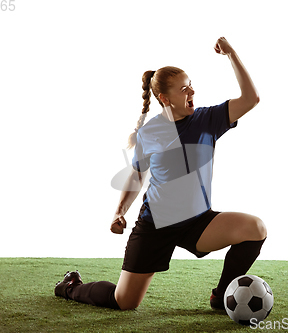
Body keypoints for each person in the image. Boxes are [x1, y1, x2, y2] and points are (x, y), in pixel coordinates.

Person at [54, 37, 267, 311]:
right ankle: (72, 287)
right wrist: (120, 212)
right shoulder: (149, 132)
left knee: (255, 228)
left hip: (196, 222)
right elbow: (136, 174)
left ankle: (222, 296)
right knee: (124, 302)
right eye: (184, 89)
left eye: (191, 85)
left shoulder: (208, 120)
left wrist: (231, 54)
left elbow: (252, 98)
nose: (192, 91)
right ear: (164, 98)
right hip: (156, 225)